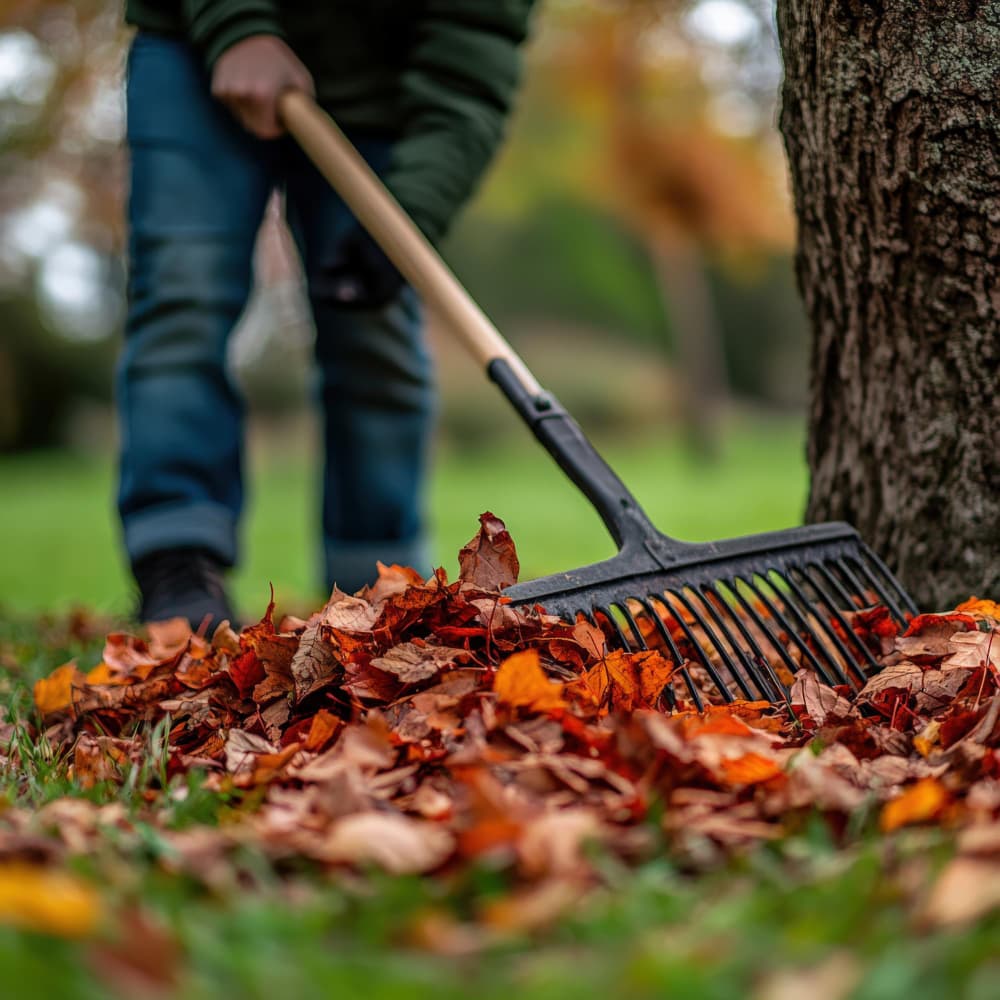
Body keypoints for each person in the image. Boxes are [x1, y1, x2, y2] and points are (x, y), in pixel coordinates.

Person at [118, 1, 537, 630]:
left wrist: (412, 215)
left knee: (375, 320)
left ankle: (379, 581)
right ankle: (179, 561)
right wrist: (237, 25)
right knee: (184, 293)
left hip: (381, 90)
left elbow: (471, 65)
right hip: (195, 47)